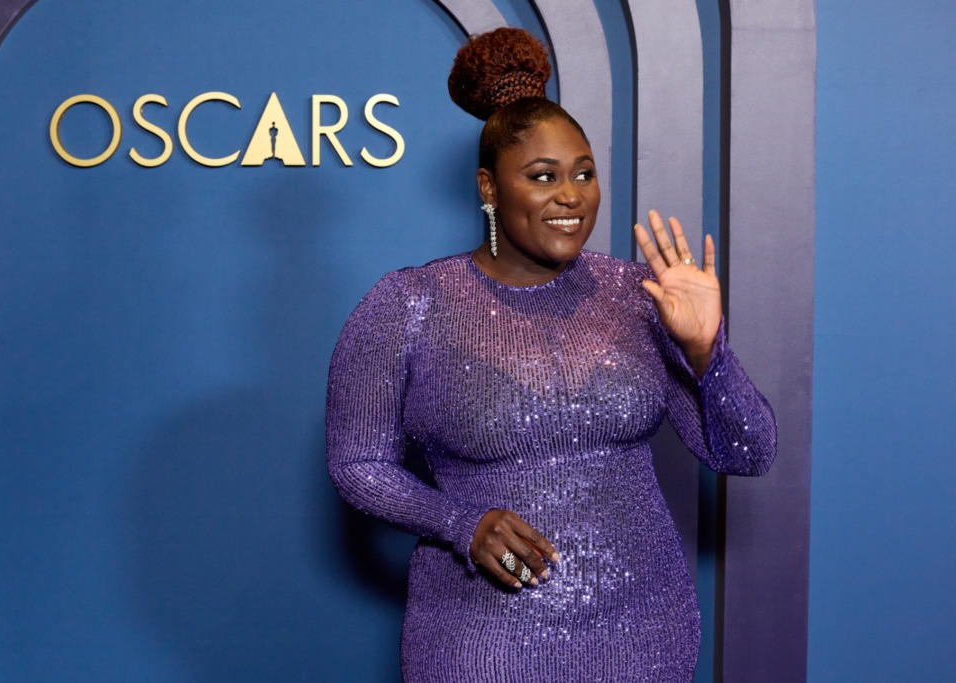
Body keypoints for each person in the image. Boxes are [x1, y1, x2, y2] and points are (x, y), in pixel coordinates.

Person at [326, 27, 776, 682]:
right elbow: (356, 462)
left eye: (584, 174)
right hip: (482, 632)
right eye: (543, 176)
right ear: (489, 187)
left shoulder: (637, 294)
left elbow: (747, 453)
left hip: (643, 628)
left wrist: (708, 349)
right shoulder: (408, 304)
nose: (572, 195)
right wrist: (458, 521)